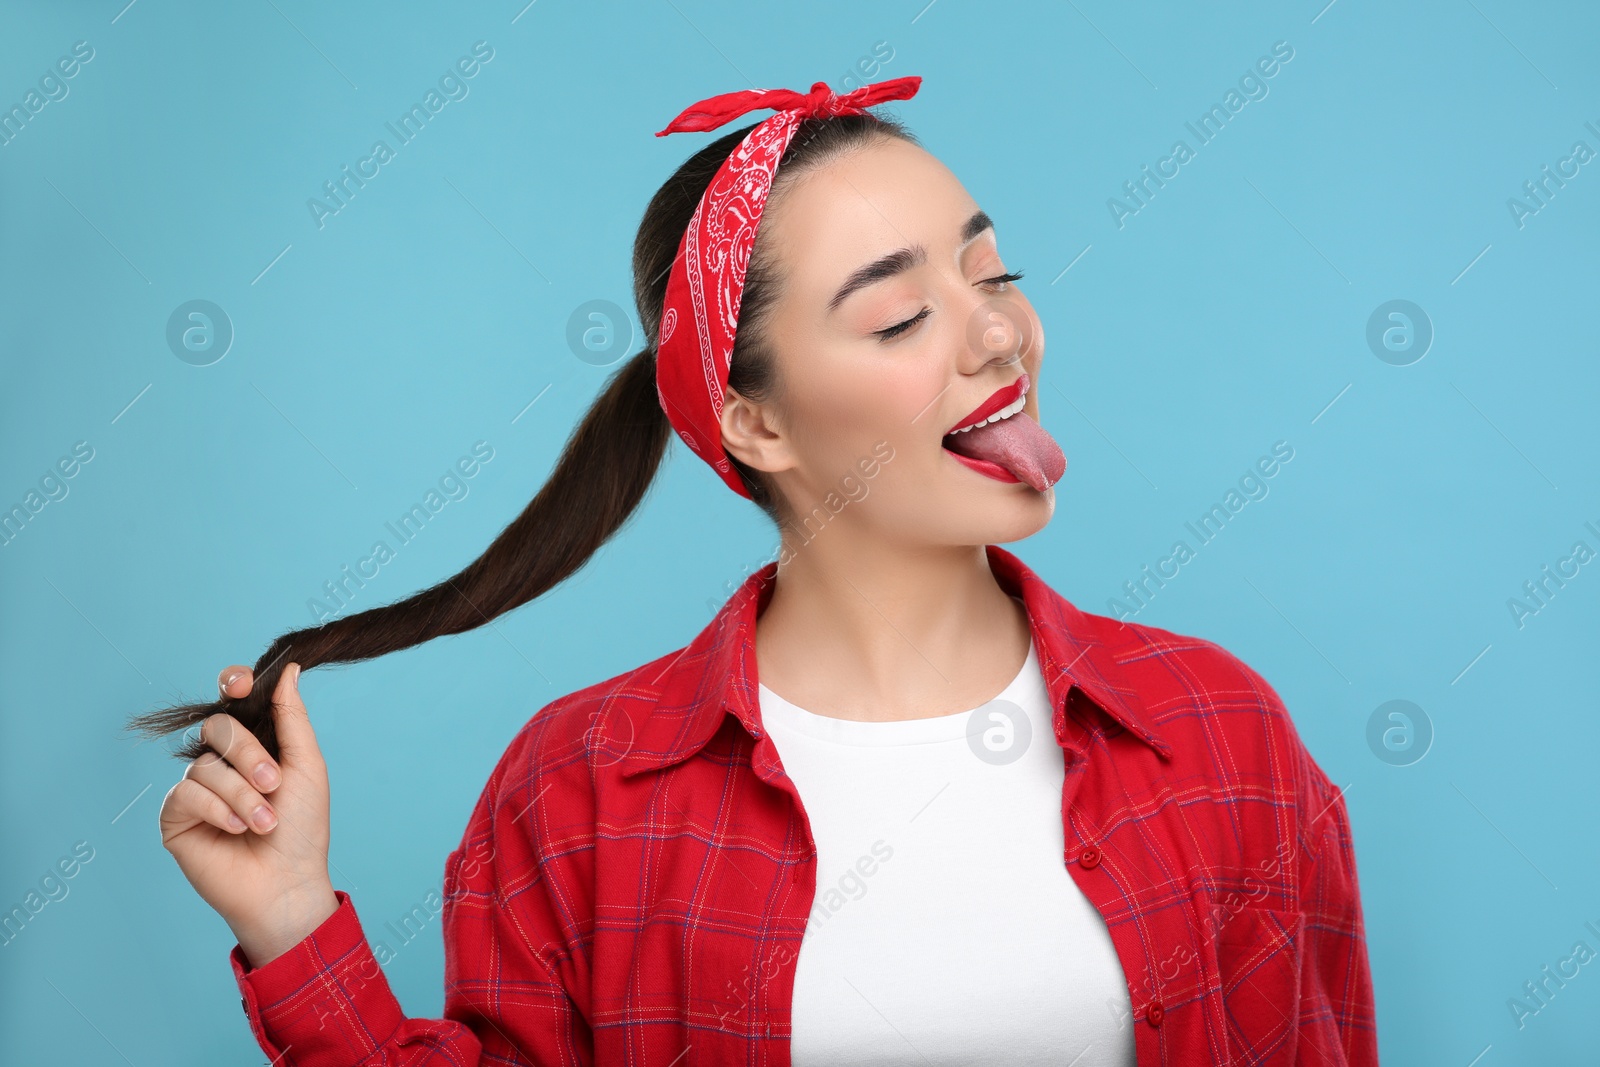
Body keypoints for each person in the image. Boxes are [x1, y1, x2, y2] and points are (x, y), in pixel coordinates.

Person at [129, 75, 1377, 1065]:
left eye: (993, 273)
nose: (1000, 330)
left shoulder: (1220, 735)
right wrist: (291, 926)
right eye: (898, 317)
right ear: (754, 423)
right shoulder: (577, 792)